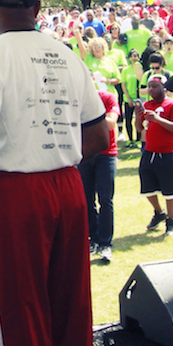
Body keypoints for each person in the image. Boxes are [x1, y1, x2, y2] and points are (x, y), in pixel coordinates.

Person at [0, 0, 109, 346]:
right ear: (38, 7)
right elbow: (98, 137)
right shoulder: (67, 55)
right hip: (68, 188)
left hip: (14, 192)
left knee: (15, 313)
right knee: (69, 309)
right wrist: (52, 153)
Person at [135, 74, 173, 237]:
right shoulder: (147, 104)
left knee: (170, 190)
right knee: (147, 188)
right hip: (149, 151)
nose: (150, 90)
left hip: (168, 152)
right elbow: (139, 128)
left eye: (154, 86)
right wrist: (138, 116)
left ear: (164, 88)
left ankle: (171, 221)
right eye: (149, 86)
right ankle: (159, 212)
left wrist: (158, 119)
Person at [79, 90, 120, 262]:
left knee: (105, 199)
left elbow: (111, 123)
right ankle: (92, 239)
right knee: (86, 200)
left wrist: (88, 116)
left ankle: (106, 243)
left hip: (106, 154)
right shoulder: (76, 98)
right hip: (85, 154)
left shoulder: (107, 97)